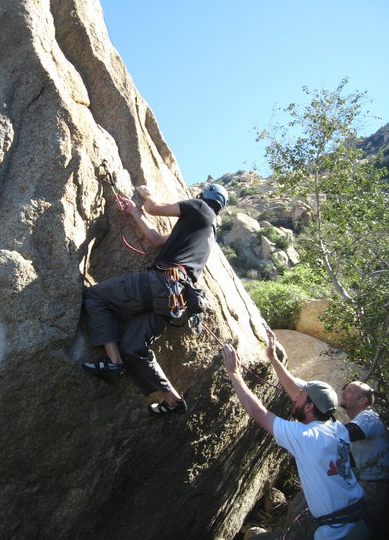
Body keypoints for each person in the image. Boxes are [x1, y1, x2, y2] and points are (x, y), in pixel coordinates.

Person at [82, 182, 228, 415]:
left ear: (204, 196)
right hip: (174, 301)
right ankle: (173, 401)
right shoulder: (205, 231)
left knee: (93, 296)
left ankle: (113, 362)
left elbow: (155, 208)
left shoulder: (200, 208)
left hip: (160, 284)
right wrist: (133, 212)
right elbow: (158, 240)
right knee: (133, 348)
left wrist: (146, 196)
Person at [222, 334, 371, 540]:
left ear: (309, 406)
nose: (295, 397)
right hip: (359, 520)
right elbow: (296, 392)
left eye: (300, 396)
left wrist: (234, 373)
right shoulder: (337, 428)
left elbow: (258, 412)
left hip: (338, 533)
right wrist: (273, 358)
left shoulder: (307, 437)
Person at [340, 381, 389, 538]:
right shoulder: (363, 420)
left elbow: (351, 433)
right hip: (370, 485)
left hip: (377, 486)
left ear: (363, 401)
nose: (343, 393)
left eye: (349, 391)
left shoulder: (368, 416)